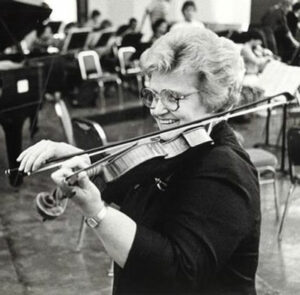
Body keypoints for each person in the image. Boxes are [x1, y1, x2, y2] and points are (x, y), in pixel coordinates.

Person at [17, 27, 260, 294]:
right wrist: (82, 160)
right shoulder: (174, 143)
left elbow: (177, 274)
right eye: (152, 95)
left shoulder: (226, 170)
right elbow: (126, 189)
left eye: (173, 97)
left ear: (214, 100)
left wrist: (98, 212)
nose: (156, 109)